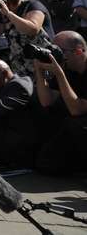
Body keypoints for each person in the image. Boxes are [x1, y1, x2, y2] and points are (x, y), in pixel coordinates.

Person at [33, 31, 87, 174]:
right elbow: (46, 101)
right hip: (76, 124)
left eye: (59, 51)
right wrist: (39, 70)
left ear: (79, 51)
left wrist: (59, 74)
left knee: (75, 123)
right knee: (46, 164)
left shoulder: (63, 71)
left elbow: (77, 109)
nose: (54, 54)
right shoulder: (67, 69)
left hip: (81, 122)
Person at [0, 0, 54, 77]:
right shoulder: (5, 14)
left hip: (43, 66)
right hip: (21, 70)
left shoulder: (33, 5)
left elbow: (32, 29)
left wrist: (8, 13)